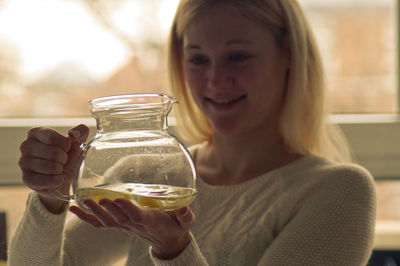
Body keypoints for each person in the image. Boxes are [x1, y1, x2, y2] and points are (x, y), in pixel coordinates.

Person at [9, 0, 376, 265]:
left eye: (238, 56)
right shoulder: (145, 176)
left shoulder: (337, 191)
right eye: (198, 59)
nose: (216, 80)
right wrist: (50, 199)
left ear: (289, 57)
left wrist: (174, 251)